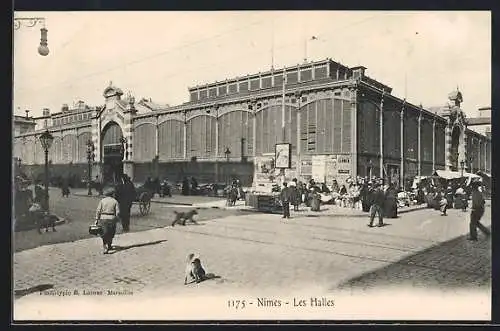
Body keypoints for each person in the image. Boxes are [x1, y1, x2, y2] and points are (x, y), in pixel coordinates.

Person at [95, 189, 120, 254]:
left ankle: (105, 246)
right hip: (112, 218)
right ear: (112, 194)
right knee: (111, 232)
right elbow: (118, 212)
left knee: (104, 232)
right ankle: (109, 245)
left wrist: (97, 219)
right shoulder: (115, 201)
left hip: (103, 218)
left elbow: (98, 210)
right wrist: (117, 219)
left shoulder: (102, 201)